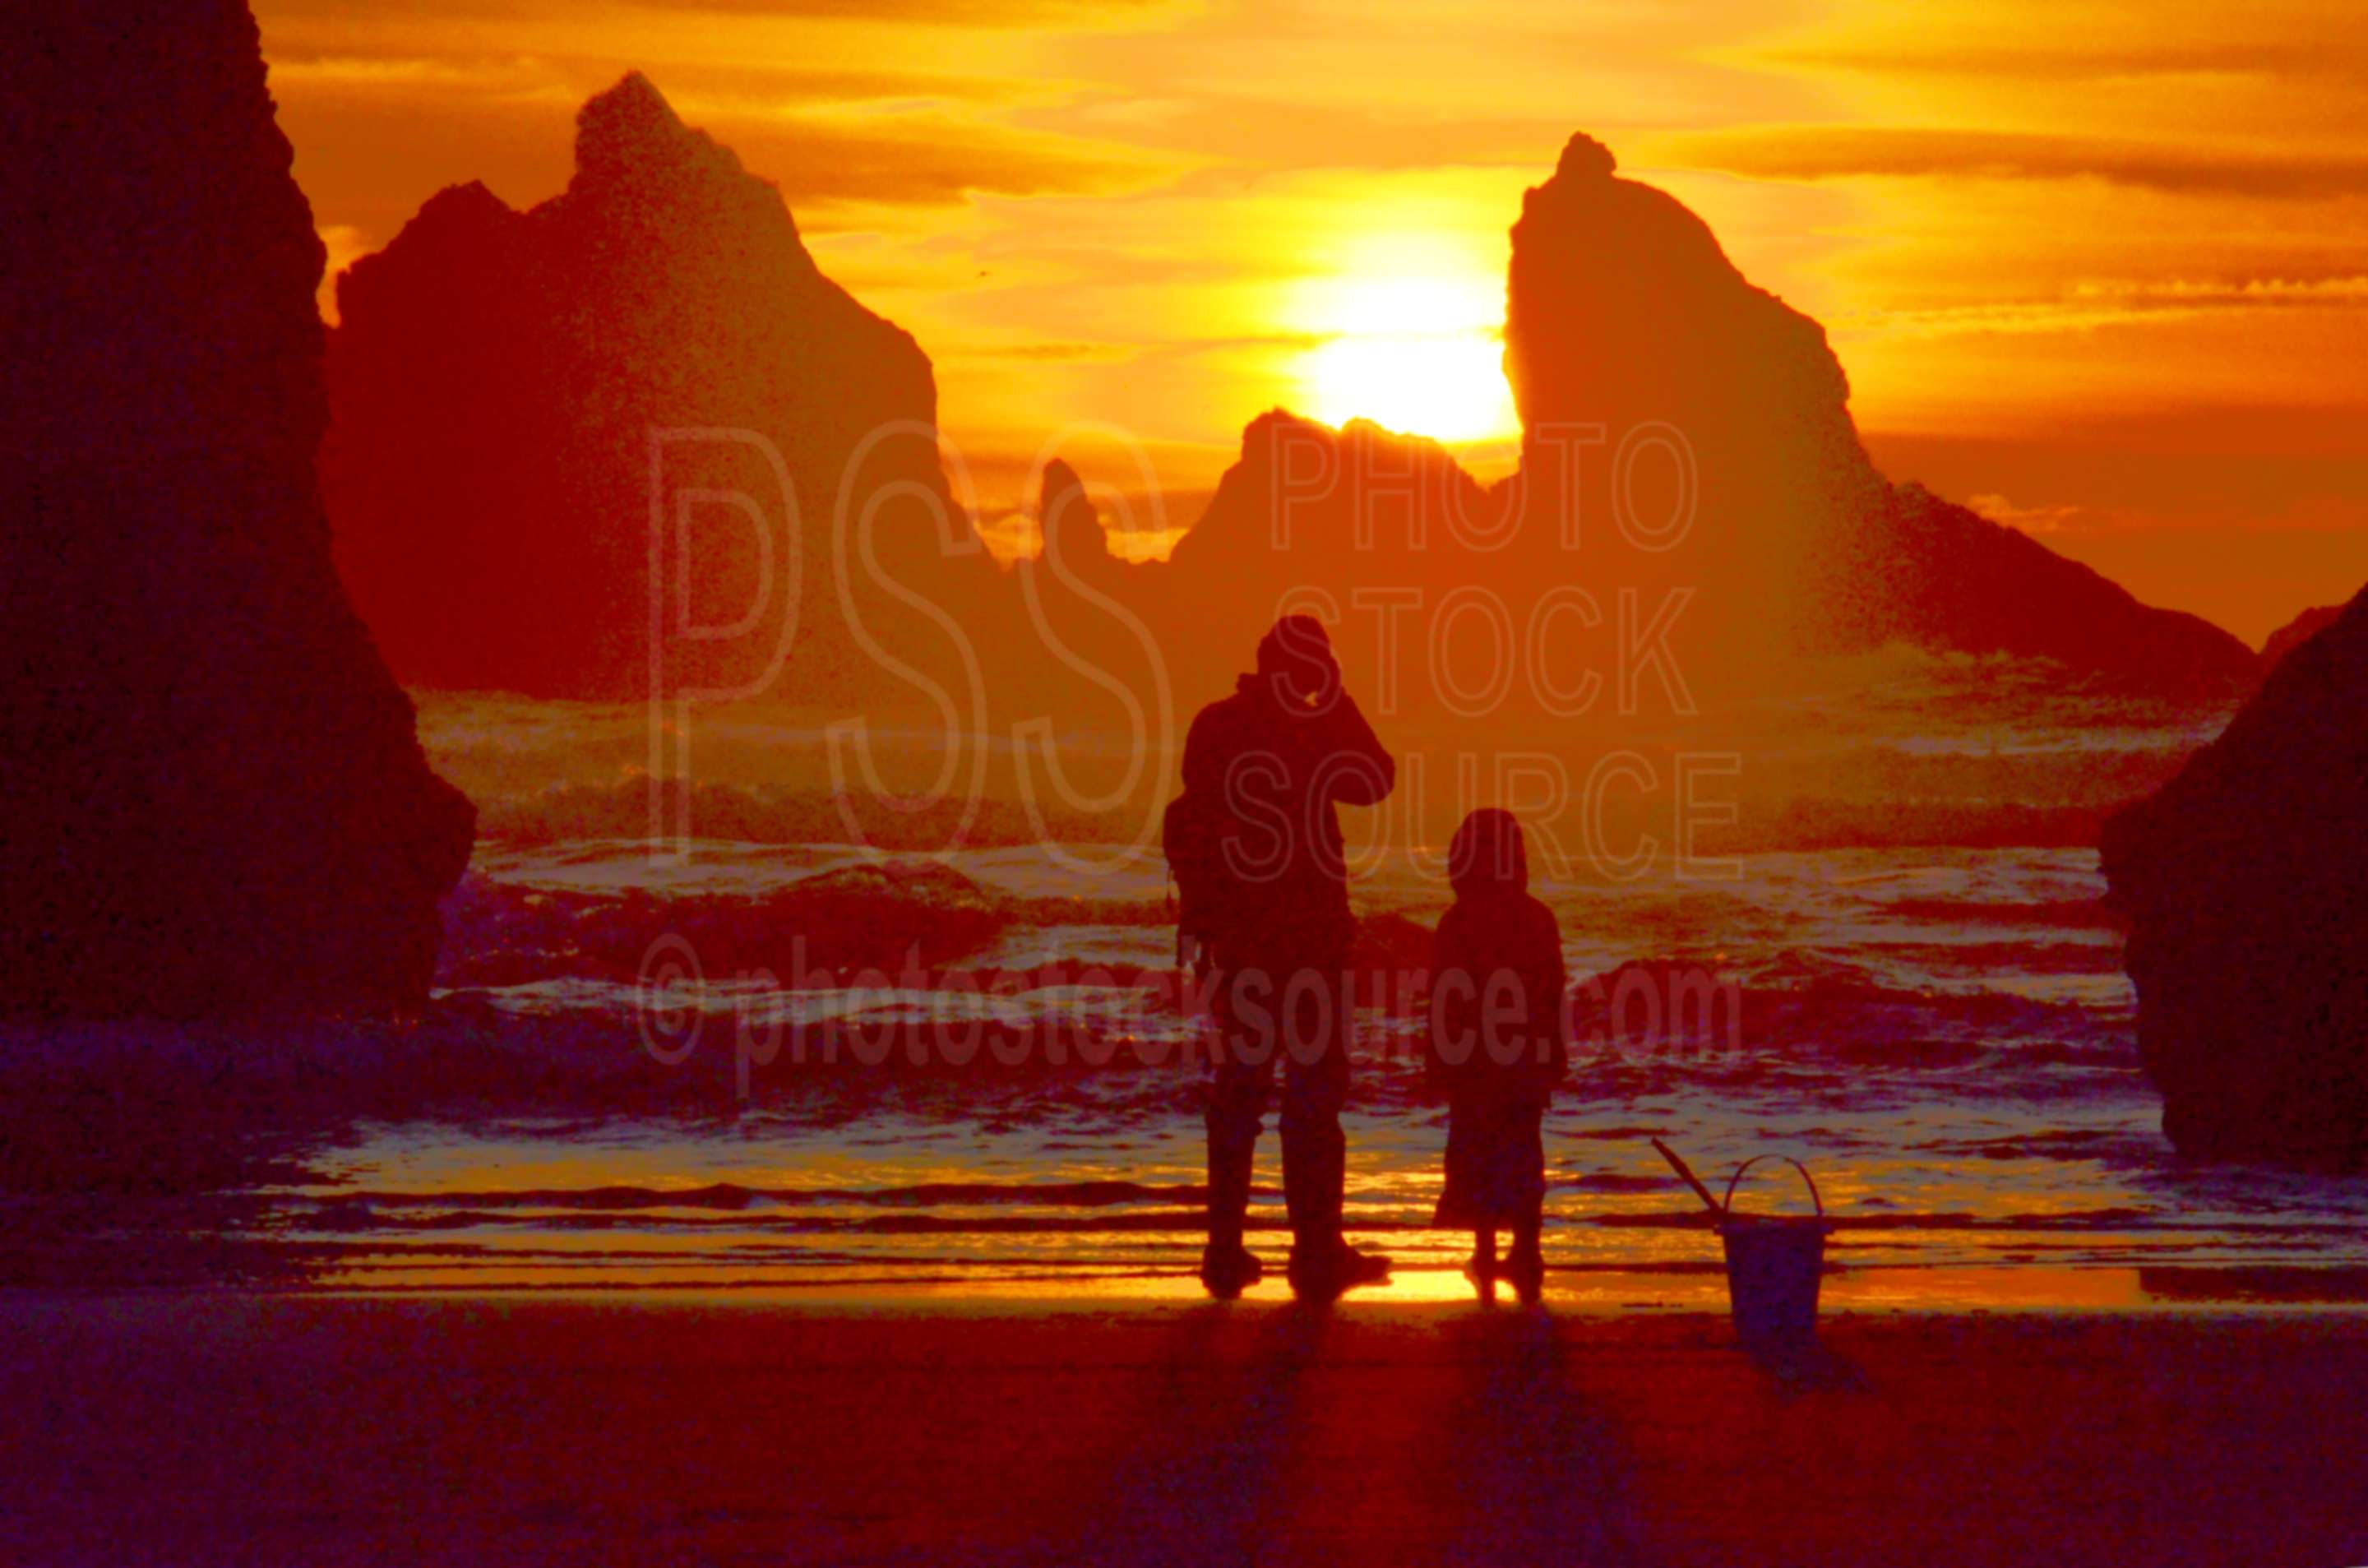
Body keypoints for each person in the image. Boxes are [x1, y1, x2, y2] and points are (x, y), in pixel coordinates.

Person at [1182, 615, 1395, 1299]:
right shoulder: (1310, 728)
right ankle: (1314, 1248)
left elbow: (1195, 825)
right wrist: (1335, 698)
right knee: (1313, 1093)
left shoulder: (1215, 724)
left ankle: (1226, 1251)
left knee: (1240, 1094)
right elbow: (1378, 777)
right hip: (1306, 938)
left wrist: (1201, 926)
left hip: (1243, 940)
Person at [1427, 808, 1568, 1304]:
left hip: (1472, 1061)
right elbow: (1553, 991)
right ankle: (1527, 1249)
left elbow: (1443, 998)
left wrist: (1438, 1057)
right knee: (1524, 1150)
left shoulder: (1456, 922)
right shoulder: (1537, 917)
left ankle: (1485, 1249)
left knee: (1473, 1149)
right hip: (1525, 1059)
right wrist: (1554, 1054)